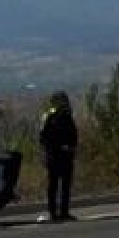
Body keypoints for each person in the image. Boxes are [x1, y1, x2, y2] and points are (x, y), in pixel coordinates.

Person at [40, 91, 79, 222]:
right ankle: (53, 213)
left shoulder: (67, 116)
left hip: (66, 156)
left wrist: (71, 146)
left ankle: (64, 212)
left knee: (65, 186)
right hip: (54, 156)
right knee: (53, 186)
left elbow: (74, 134)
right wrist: (58, 146)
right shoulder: (50, 118)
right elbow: (44, 138)